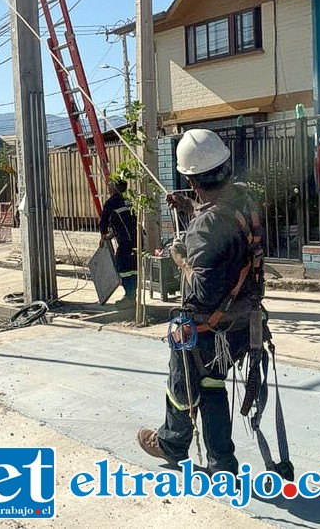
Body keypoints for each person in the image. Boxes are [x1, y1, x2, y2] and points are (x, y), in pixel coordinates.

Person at [137, 129, 261, 476]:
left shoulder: (206, 224)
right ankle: (222, 463)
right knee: (211, 386)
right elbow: (222, 230)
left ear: (191, 178)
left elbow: (205, 288)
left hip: (207, 329)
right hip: (239, 324)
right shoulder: (243, 203)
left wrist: (179, 257)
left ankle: (171, 443)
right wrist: (192, 208)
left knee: (183, 385)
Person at [99, 178, 138, 304]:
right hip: (135, 240)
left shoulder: (111, 202)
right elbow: (124, 222)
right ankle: (133, 295)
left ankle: (129, 297)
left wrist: (103, 235)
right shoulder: (127, 201)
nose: (108, 186)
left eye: (110, 185)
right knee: (133, 267)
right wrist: (111, 235)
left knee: (123, 267)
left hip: (125, 241)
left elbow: (104, 220)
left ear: (115, 187)